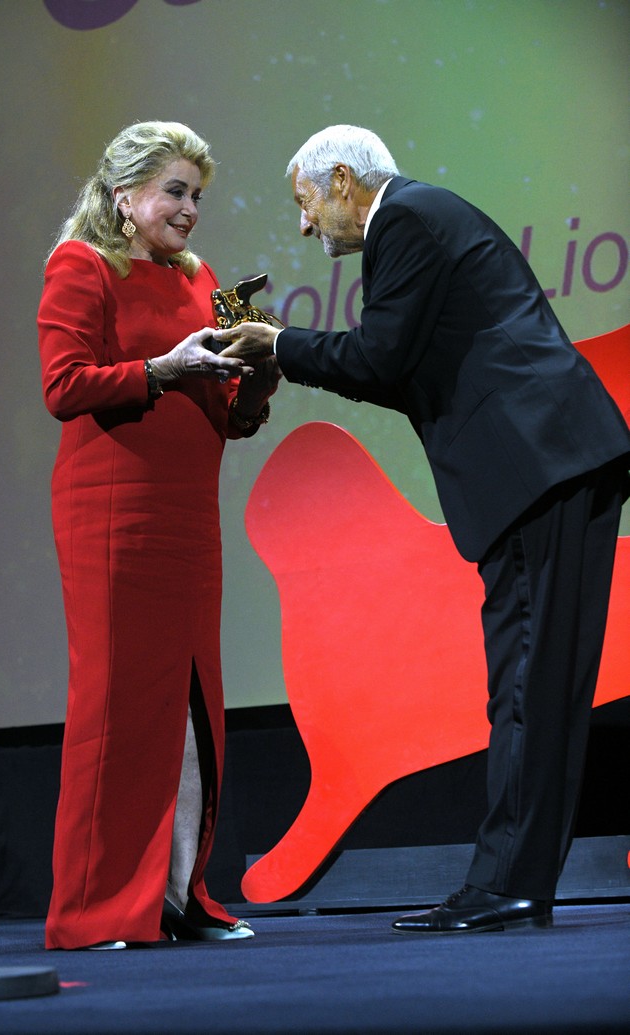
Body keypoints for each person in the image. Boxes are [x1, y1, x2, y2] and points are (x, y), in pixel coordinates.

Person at [215, 124, 630, 934]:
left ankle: (507, 884)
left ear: (342, 180)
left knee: (526, 684)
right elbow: (399, 368)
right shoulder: (424, 216)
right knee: (538, 685)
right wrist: (290, 351)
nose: (303, 225)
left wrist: (280, 344)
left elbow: (379, 358)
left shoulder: (403, 221)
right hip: (552, 462)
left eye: (305, 203)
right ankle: (517, 882)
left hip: (539, 465)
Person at [37, 120, 278, 950]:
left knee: (191, 705)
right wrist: (163, 369)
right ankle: (93, 907)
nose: (189, 209)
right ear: (124, 196)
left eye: (196, 195)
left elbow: (231, 415)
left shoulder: (200, 278)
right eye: (175, 191)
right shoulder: (82, 265)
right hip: (113, 514)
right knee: (118, 706)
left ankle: (177, 895)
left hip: (186, 515)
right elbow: (64, 386)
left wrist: (258, 380)